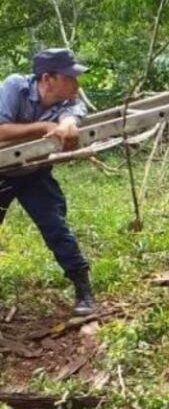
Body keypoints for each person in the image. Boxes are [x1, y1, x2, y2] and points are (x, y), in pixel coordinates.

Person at [0, 49, 96, 316]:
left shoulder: (66, 100)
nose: (76, 83)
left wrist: (67, 122)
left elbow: (75, 112)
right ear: (48, 78)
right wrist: (43, 128)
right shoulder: (14, 87)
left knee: (55, 227)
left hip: (33, 172)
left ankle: (83, 288)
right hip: (2, 173)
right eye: (69, 77)